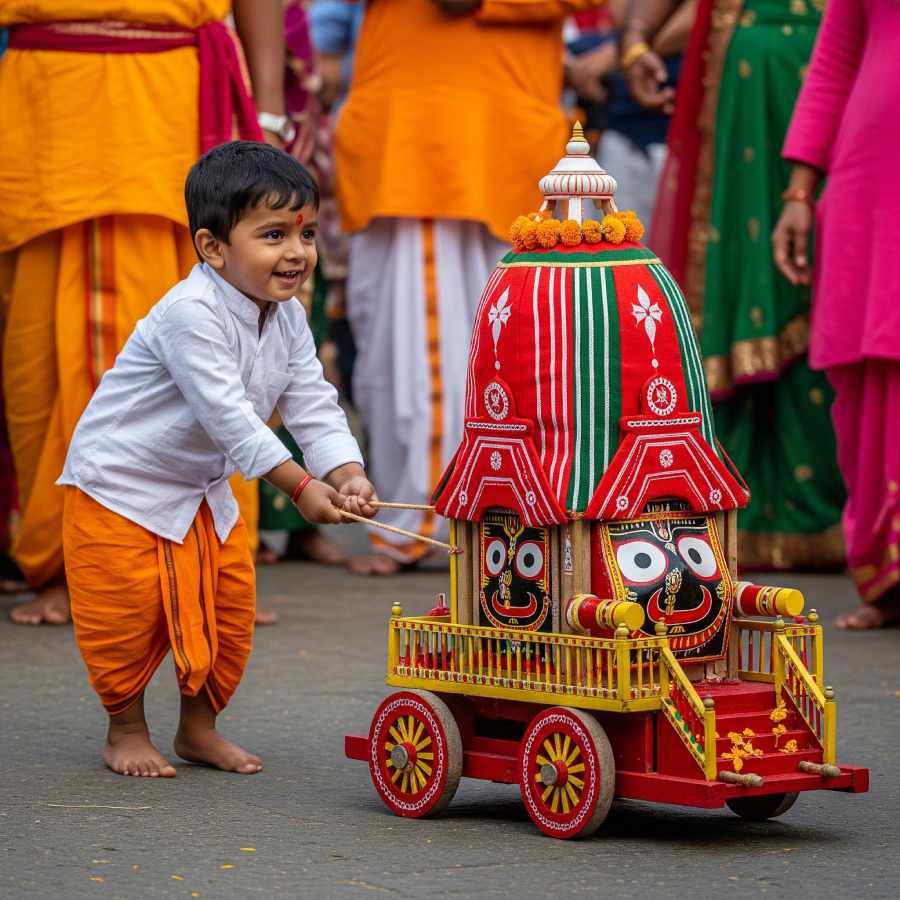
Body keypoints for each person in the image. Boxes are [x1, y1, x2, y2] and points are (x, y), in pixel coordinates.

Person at [59, 142, 376, 777]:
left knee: (226, 610)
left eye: (307, 233)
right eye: (274, 234)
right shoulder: (190, 313)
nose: (298, 252)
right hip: (117, 486)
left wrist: (348, 473)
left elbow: (312, 401)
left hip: (200, 488)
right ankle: (125, 730)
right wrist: (301, 486)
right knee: (124, 616)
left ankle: (197, 730)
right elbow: (229, 417)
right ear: (213, 247)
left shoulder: (287, 316)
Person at [0, 0, 288, 625]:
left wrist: (267, 111)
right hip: (48, 101)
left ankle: (207, 564)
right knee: (42, 356)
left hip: (174, 100)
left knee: (212, 337)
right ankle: (77, 568)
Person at [335, 0, 603, 575]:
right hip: (420, 138)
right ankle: (452, 523)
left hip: (468, 137)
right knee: (403, 354)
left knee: (487, 353)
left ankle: (449, 524)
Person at [646, 0, 845, 571]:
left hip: (826, 74)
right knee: (751, 275)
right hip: (750, 87)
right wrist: (635, 44)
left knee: (829, 280)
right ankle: (739, 511)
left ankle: (835, 513)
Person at [773, 0, 900, 628]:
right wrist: (799, 191)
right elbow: (834, 62)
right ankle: (889, 576)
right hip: (870, 172)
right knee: (868, 370)